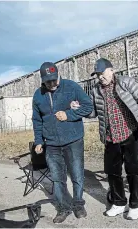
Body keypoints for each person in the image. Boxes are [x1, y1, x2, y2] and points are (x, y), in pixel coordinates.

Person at [71, 58, 138, 220]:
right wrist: (80, 108)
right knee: (112, 172)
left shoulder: (126, 83)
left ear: (112, 70)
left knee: (133, 171)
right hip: (110, 137)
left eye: (102, 73)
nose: (100, 77)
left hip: (130, 134)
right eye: (97, 75)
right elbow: (94, 113)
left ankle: (135, 205)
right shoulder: (96, 90)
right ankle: (119, 203)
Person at [32, 62, 93, 224]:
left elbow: (88, 107)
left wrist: (69, 115)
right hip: (51, 144)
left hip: (73, 140)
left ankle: (78, 204)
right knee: (58, 178)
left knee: (77, 174)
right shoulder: (38, 95)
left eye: (54, 80)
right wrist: (38, 140)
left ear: (59, 75)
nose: (52, 84)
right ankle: (63, 208)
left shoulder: (71, 87)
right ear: (42, 80)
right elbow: (37, 120)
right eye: (48, 81)